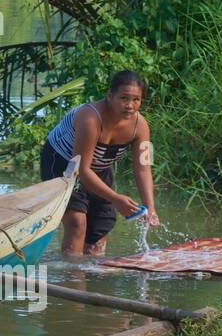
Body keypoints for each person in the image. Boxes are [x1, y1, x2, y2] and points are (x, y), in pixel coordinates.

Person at [39, 70, 157, 256]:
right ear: (109, 96)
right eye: (124, 98)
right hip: (64, 163)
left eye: (136, 100)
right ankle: (73, 275)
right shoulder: (90, 119)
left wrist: (150, 207)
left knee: (102, 226)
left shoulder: (141, 126)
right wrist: (116, 198)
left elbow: (143, 168)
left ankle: (93, 276)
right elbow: (83, 171)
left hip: (99, 166)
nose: (130, 106)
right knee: (77, 222)